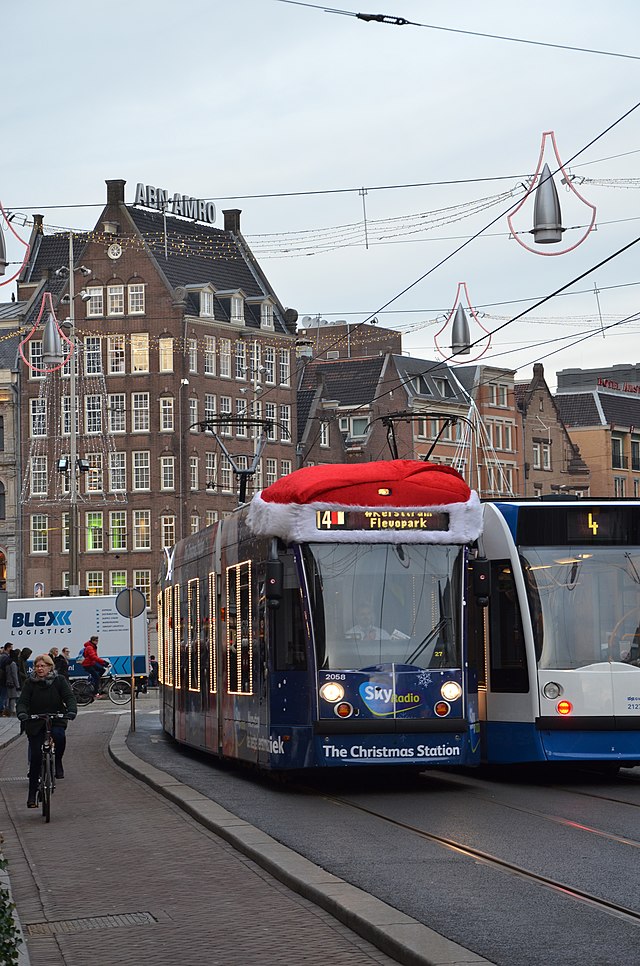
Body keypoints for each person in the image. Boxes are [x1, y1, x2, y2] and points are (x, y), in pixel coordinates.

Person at [16, 653, 77, 807]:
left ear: (50, 667)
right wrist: (22, 713)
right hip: (36, 720)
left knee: (59, 735)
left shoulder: (59, 680)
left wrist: (71, 710)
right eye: (37, 666)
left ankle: (58, 761)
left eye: (43, 666)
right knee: (36, 755)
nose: (39, 668)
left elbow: (69, 697)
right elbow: (22, 701)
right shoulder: (30, 683)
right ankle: (31, 795)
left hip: (56, 717)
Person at [0, 643, 14, 717]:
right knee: (3, 696)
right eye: (11, 648)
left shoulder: (2, 656)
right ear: (8, 648)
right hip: (3, 679)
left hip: (1, 679)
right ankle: (1, 710)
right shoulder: (5, 657)